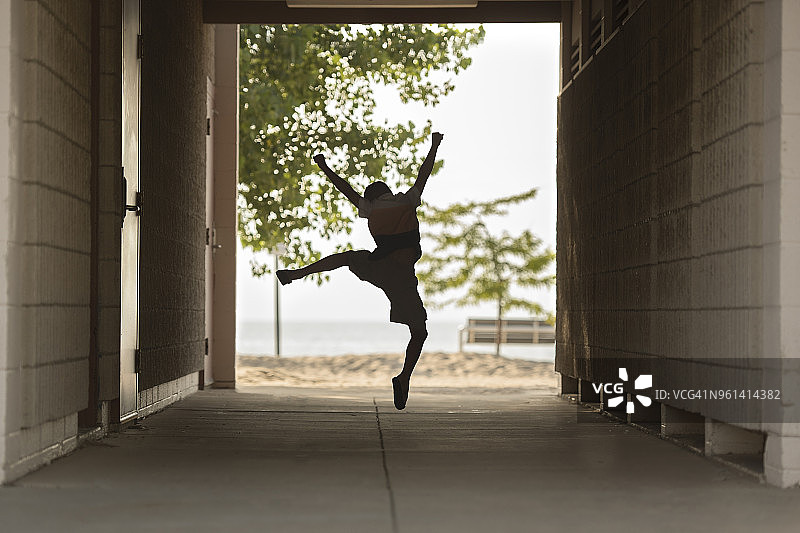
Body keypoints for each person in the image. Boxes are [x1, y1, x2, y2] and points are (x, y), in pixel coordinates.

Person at [276, 132, 443, 410]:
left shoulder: (369, 207)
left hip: (378, 268)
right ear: (387, 191)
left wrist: (325, 167)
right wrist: (434, 144)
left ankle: (298, 273)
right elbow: (424, 173)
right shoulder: (407, 199)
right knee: (419, 332)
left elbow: (344, 189)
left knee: (347, 257)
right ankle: (403, 378)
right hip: (401, 277)